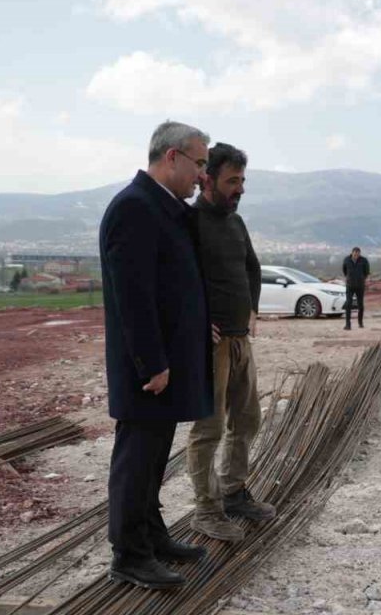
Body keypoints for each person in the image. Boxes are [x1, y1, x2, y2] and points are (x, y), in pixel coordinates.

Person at [99, 121, 215, 590]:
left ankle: (151, 536)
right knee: (137, 458)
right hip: (147, 369)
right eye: (199, 164)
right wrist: (153, 363)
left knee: (153, 460)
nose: (203, 176)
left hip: (164, 364)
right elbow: (134, 297)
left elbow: (173, 284)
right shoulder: (134, 208)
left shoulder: (163, 208)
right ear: (172, 157)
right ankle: (128, 554)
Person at [187, 143, 276, 542]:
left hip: (241, 340)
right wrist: (193, 323)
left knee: (248, 419)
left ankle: (234, 491)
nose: (239, 189)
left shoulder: (236, 223)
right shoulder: (188, 223)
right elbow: (174, 283)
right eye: (232, 181)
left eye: (242, 181)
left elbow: (252, 268)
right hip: (211, 346)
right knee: (209, 429)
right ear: (207, 179)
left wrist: (252, 309)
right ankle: (206, 510)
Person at [342, 246, 370, 330]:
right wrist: (349, 278)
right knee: (348, 304)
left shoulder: (364, 260)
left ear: (359, 254)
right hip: (350, 285)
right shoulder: (347, 260)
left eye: (358, 254)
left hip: (360, 286)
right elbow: (344, 270)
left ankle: (360, 322)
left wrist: (362, 278)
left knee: (360, 305)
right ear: (352, 253)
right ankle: (348, 324)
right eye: (355, 254)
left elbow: (366, 272)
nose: (356, 255)